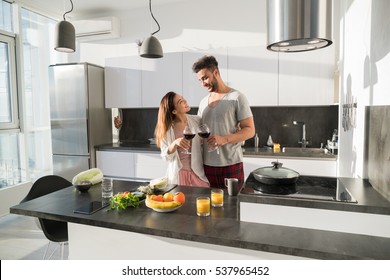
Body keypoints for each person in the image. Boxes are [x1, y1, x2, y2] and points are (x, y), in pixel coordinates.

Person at [192, 55, 255, 188]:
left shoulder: (237, 97)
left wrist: (224, 139)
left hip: (231, 164)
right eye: (200, 80)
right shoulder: (203, 102)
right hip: (206, 166)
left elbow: (250, 130)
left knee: (232, 206)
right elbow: (199, 130)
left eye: (205, 78)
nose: (203, 83)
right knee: (209, 207)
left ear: (216, 72)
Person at [155, 91, 209, 187]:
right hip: (179, 175)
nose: (185, 100)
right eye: (180, 101)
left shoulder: (197, 120)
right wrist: (175, 143)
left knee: (202, 201)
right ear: (174, 111)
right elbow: (165, 156)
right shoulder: (167, 129)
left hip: (198, 173)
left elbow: (206, 135)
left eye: (182, 98)